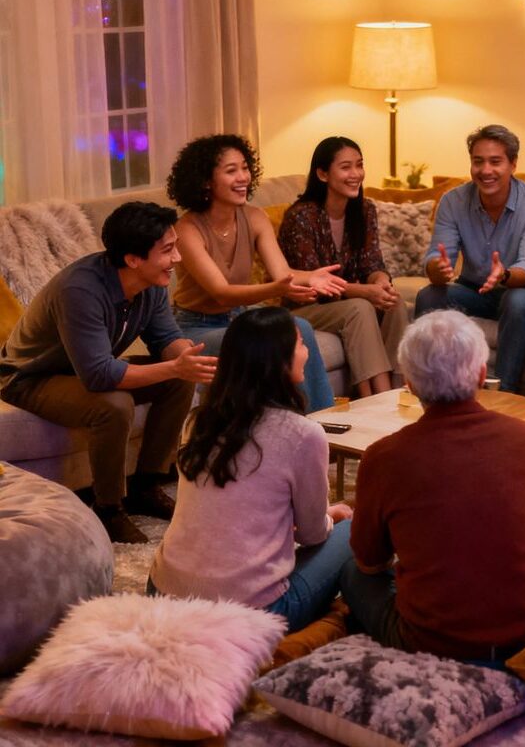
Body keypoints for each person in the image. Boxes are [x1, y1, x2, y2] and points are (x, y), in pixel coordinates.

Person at [340, 310, 525, 666]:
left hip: (433, 645)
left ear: (410, 384)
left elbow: (370, 563)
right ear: (482, 374)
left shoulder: (382, 457)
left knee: (351, 574)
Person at [0, 202, 215, 543]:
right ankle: (108, 508)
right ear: (133, 259)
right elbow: (100, 376)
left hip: (83, 370)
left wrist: (188, 359)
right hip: (29, 378)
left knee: (177, 380)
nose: (177, 259)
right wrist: (174, 366)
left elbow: (165, 337)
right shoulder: (80, 290)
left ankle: (147, 484)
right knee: (114, 404)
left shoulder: (153, 283)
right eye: (168, 250)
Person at [149, 307, 353, 632]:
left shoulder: (197, 421)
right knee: (353, 530)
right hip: (249, 614)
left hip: (162, 592)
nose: (307, 351)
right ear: (278, 361)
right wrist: (331, 517)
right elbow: (314, 534)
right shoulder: (303, 434)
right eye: (301, 343)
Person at [167, 133, 344, 412]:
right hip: (197, 327)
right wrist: (278, 289)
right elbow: (221, 293)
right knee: (263, 343)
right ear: (205, 180)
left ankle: (321, 424)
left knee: (300, 328)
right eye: (231, 171)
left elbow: (281, 272)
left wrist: (311, 277)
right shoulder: (186, 230)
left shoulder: (254, 217)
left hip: (240, 317)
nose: (243, 178)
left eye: (245, 168)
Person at [414, 125, 525, 393]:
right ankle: (429, 388)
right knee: (429, 295)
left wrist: (505, 275)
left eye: (495, 162)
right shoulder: (453, 201)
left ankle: (504, 393)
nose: (485, 170)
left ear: (513, 164)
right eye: (478, 162)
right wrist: (438, 269)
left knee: (517, 300)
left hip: (520, 291)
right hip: (473, 290)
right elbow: (436, 257)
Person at [278, 136, 408, 398]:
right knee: (359, 308)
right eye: (346, 167)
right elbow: (318, 285)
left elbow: (373, 263)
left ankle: (401, 391)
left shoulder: (365, 209)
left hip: (346, 301)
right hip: (307, 306)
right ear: (323, 174)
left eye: (359, 165)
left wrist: (381, 282)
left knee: (395, 302)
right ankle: (377, 400)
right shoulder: (301, 216)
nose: (356, 174)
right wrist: (366, 292)